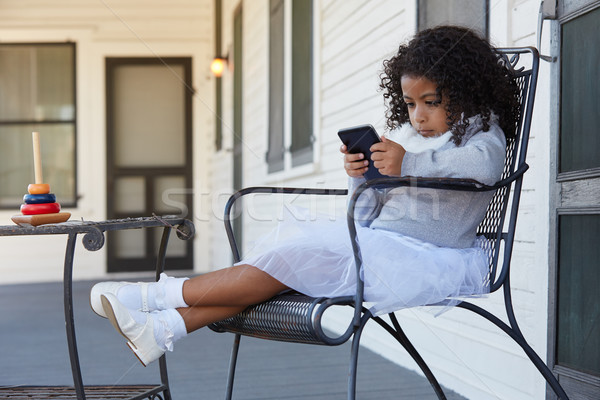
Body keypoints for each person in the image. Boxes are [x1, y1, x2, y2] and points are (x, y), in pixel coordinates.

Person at [90, 25, 520, 367]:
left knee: (291, 258)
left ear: (464, 92)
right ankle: (164, 329)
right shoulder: (409, 139)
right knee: (288, 257)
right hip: (376, 243)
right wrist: (362, 177)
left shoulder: (482, 136)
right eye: (409, 104)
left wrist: (407, 165)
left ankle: (156, 297)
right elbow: (368, 212)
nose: (418, 116)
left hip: (426, 257)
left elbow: (480, 170)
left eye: (431, 101)